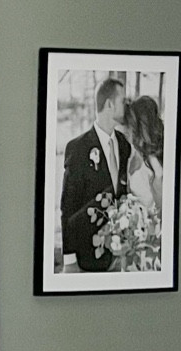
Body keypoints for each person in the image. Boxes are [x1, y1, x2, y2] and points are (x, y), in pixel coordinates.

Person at [60, 75, 130, 270]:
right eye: (123, 101)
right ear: (109, 104)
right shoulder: (77, 148)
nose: (127, 106)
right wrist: (69, 260)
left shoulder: (124, 145)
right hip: (87, 257)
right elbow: (68, 207)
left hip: (120, 255)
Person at [123, 92, 165, 222]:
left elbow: (161, 212)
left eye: (129, 126)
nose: (126, 130)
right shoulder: (134, 153)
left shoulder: (155, 167)